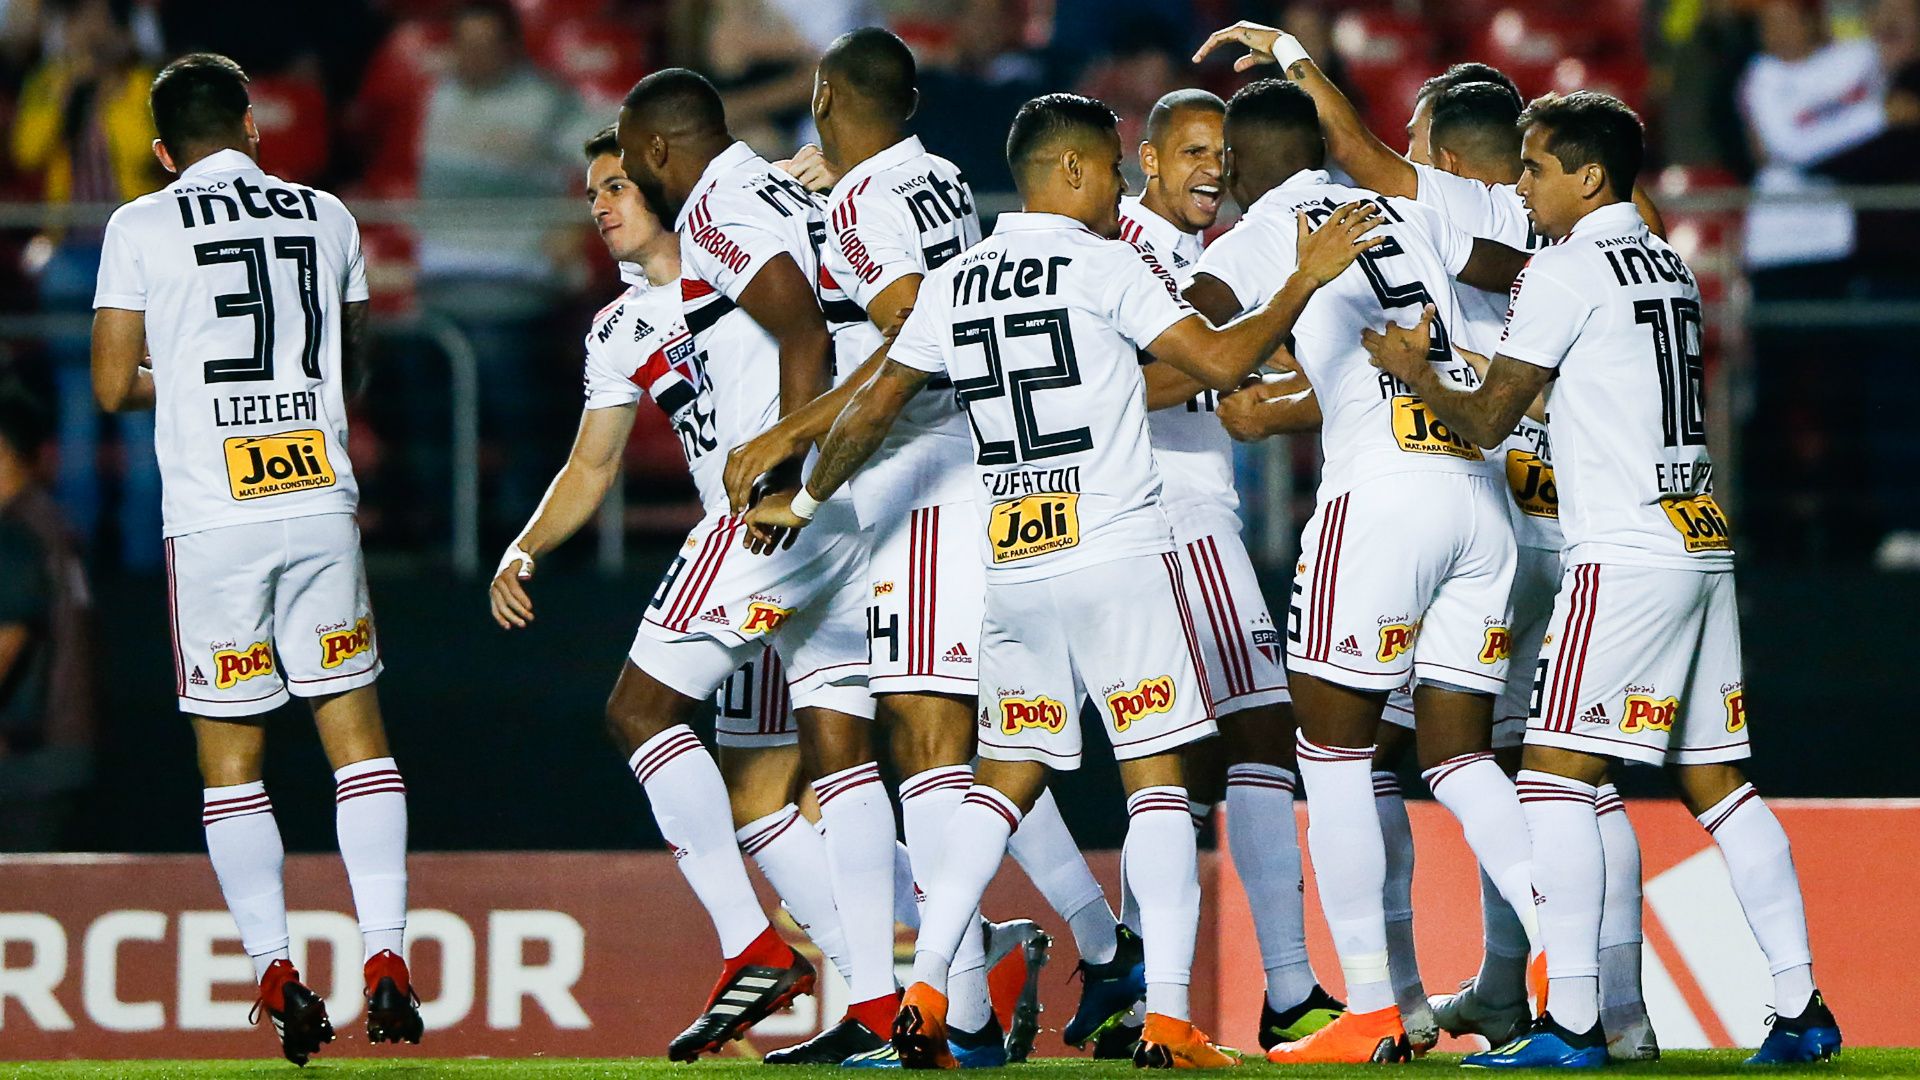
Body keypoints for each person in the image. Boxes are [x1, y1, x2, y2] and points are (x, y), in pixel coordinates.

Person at [745, 90, 1387, 1070]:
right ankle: (1168, 1020)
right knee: (1159, 780)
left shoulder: (957, 281)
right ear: (1073, 170)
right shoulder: (1105, 264)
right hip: (1115, 554)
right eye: (1113, 170)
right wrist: (1304, 278)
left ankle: (927, 987)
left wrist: (805, 494)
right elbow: (1220, 360)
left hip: (1014, 563)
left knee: (1000, 781)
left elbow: (873, 405)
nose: (1121, 190)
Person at [1362, 89, 1844, 1069]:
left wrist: (1415, 369)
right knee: (1720, 785)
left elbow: (1490, 419)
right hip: (1697, 538)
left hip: (1621, 554)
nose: (1522, 186)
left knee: (1549, 781)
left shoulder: (1565, 268)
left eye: (1536, 168)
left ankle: (1573, 1025)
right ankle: (1803, 1010)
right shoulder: (1666, 260)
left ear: (1588, 176)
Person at [722, 28, 1118, 1066]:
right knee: (930, 737)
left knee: (931, 741)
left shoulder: (864, 199)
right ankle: (1062, 953)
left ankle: (972, 1009)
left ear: (822, 97)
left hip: (924, 476)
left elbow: (915, 336)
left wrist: (794, 435)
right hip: (942, 477)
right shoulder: (934, 173)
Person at [1166, 69, 1535, 1064]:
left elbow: (1178, 342)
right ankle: (1569, 963)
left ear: (1239, 164)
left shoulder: (1264, 229)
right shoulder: (1409, 205)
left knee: (1332, 757)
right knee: (1462, 760)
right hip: (1477, 495)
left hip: (1376, 505)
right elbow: (1512, 272)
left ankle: (1373, 1005)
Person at [487, 123, 874, 1020]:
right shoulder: (618, 328)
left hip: (767, 523)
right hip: (789, 555)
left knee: (638, 711)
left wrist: (829, 178)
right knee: (761, 799)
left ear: (665, 181)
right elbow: (591, 465)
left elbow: (825, 261)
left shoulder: (733, 248)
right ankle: (939, 973)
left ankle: (752, 949)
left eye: (617, 185)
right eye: (592, 193)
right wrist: (524, 545)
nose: (600, 205)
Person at [89, 53, 420, 1065]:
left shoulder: (138, 225)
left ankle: (276, 970)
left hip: (216, 516)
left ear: (161, 151)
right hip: (317, 497)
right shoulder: (328, 215)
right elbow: (352, 359)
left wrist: (193, 382)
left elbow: (111, 385)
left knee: (233, 762)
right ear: (251, 126)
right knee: (358, 740)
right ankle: (387, 952)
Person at [611, 67, 898, 1060]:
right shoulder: (779, 186)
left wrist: (782, 467)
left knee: (639, 711)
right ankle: (883, 1001)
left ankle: (751, 946)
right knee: (841, 762)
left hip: (782, 511)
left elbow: (801, 325)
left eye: (630, 160)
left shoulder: (716, 208)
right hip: (857, 497)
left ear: (658, 151)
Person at [1118, 86, 1346, 1052]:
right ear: (1149, 160)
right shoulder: (1128, 247)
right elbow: (1134, 379)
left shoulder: (1210, 253)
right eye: (1193, 151)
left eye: (1223, 153)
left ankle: (1125, 977)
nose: (1212, 169)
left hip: (1175, 511)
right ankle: (1287, 987)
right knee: (1261, 730)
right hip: (1173, 513)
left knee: (1176, 761)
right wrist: (1227, 372)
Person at [12, 0, 163, 567]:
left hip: (133, 258)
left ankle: (144, 554)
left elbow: (145, 154)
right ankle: (78, 555)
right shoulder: (51, 83)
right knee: (77, 405)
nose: (89, 32)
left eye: (100, 21)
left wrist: (113, 87)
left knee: (139, 406)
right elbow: (27, 150)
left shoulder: (144, 85)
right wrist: (67, 91)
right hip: (70, 257)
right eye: (80, 21)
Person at [0, 385, 94, 853]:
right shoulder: (53, 521)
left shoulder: (14, 533)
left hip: (26, 762)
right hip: (67, 753)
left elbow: (7, 643)